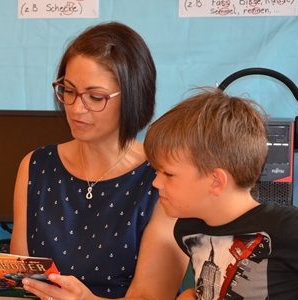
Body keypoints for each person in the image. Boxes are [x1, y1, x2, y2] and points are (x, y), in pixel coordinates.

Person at [10, 22, 189, 299]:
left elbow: (151, 296)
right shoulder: (36, 166)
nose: (76, 108)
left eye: (95, 97)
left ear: (133, 96)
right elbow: (19, 286)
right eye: (68, 91)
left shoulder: (164, 177)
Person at [144, 89, 298, 299]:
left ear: (216, 181)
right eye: (156, 171)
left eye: (168, 174)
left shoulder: (293, 230)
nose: (156, 182)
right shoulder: (187, 230)